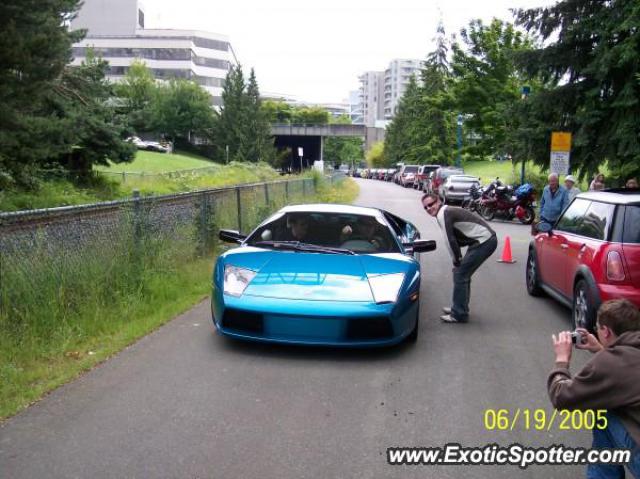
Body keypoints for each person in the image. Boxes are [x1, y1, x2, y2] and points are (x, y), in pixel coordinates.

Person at [548, 299, 640, 478]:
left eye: (597, 327)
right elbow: (626, 373)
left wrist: (561, 360)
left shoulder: (609, 363)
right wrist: (601, 349)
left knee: (603, 412)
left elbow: (561, 397)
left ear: (606, 332)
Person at [421, 193, 497, 323]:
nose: (429, 208)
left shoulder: (443, 214)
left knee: (460, 274)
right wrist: (458, 260)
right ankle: (460, 307)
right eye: (425, 207)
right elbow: (455, 238)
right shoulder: (445, 211)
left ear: (438, 201)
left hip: (484, 241)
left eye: (431, 204)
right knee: (462, 274)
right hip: (482, 241)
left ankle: (459, 313)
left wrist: (456, 260)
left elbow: (450, 240)